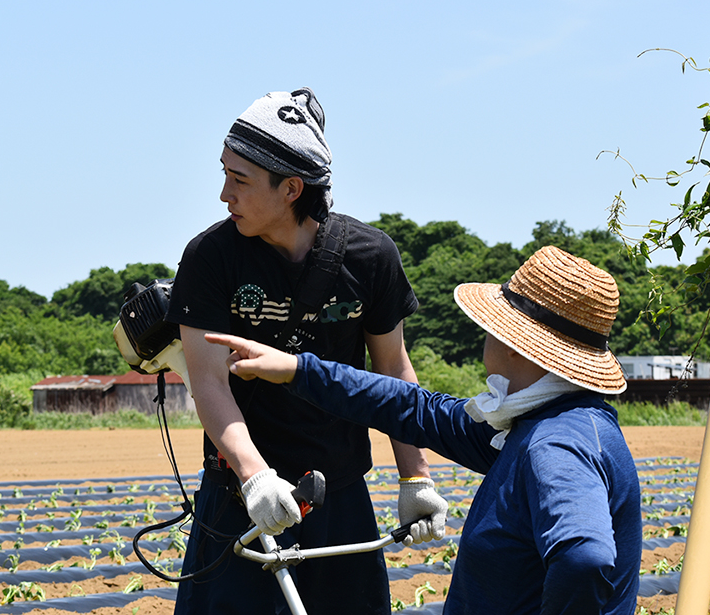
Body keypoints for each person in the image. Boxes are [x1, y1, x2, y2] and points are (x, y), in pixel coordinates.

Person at [207, 245, 643, 615]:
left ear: (517, 347)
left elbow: (585, 558)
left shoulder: (555, 444)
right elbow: (416, 408)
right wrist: (298, 369)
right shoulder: (556, 420)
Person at [165, 87, 449, 615]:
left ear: (291, 188)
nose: (224, 194)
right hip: (242, 496)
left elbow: (393, 370)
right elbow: (207, 381)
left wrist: (416, 476)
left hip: (338, 492)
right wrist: (253, 476)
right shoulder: (211, 257)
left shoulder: (369, 257)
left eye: (239, 180)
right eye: (224, 173)